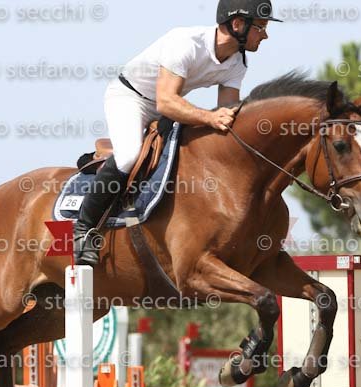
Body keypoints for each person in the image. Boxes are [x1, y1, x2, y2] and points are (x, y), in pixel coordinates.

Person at [75, 0, 282, 265]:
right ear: (238, 24)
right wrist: (209, 117)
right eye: (261, 27)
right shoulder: (185, 43)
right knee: (128, 156)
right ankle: (83, 229)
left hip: (168, 104)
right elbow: (166, 102)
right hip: (131, 98)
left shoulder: (237, 62)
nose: (265, 35)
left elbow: (227, 111)